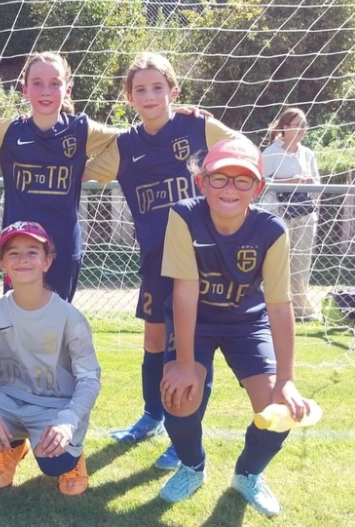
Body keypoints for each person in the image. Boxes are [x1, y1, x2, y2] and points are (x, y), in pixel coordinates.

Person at [84, 52, 243, 469]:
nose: (149, 95)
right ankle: (152, 416)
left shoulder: (199, 127)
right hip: (156, 260)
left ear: (174, 91)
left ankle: (182, 436)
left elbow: (244, 150)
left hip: (202, 263)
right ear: (129, 97)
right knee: (154, 341)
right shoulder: (124, 146)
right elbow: (78, 172)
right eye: (140, 89)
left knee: (190, 349)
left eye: (158, 87)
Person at [158, 138, 311, 516]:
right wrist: (184, 364)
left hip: (247, 324)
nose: (230, 188)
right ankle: (192, 465)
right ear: (201, 182)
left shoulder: (272, 230)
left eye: (243, 180)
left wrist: (286, 379)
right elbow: (185, 291)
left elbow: (279, 306)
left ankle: (248, 473)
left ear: (258, 187)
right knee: (179, 395)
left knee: (279, 409)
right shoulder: (184, 216)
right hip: (196, 322)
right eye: (220, 178)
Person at [0, 221, 101, 496]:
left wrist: (68, 420)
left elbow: (89, 378)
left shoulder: (69, 317)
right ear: (2, 264)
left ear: (47, 261)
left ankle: (74, 459)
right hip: (10, 399)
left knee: (55, 463)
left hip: (56, 406)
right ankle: (13, 446)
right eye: (13, 253)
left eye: (32, 252)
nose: (23, 259)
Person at [0, 51, 120, 303]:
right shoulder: (9, 130)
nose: (45, 91)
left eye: (54, 83)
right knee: (17, 319)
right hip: (18, 249)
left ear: (68, 89)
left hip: (63, 247)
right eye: (37, 83)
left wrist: (88, 172)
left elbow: (126, 140)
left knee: (57, 320)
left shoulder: (81, 129)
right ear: (25, 89)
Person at [262, 108, 320, 321]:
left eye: (305, 125)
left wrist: (309, 182)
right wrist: (291, 181)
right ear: (285, 127)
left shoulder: (308, 153)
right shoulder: (271, 152)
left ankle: (301, 309)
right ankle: (271, 306)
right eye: (298, 125)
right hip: (278, 215)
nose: (303, 129)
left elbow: (318, 183)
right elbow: (260, 182)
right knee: (277, 262)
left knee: (301, 262)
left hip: (305, 215)